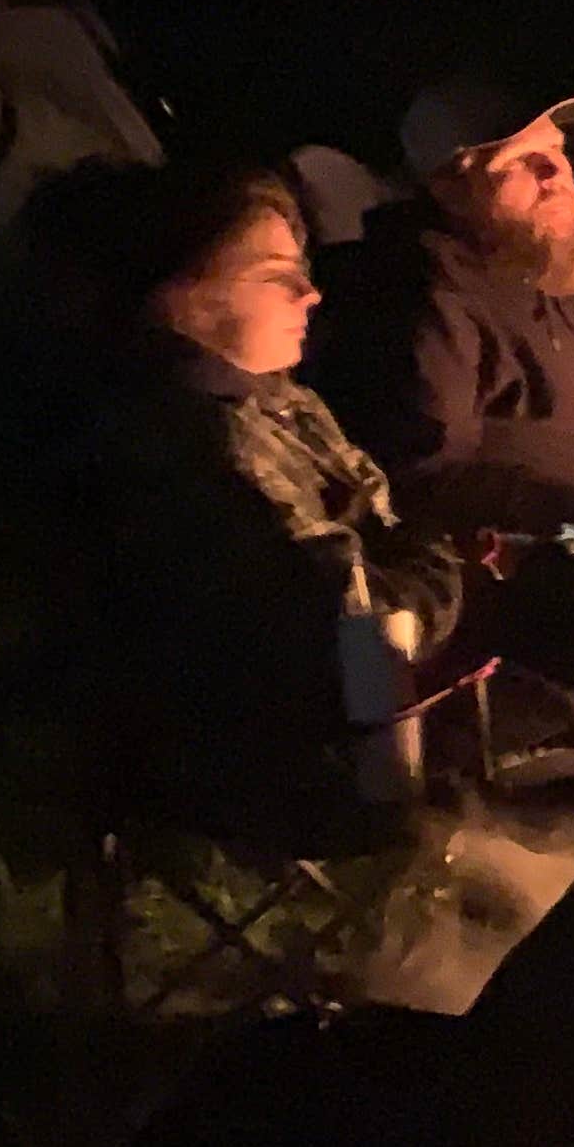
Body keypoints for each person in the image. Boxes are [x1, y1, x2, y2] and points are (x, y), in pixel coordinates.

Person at [83, 165, 468, 839]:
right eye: (276, 275)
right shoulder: (206, 442)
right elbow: (356, 622)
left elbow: (384, 525)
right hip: (302, 759)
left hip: (369, 706)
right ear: (182, 298)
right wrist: (440, 574)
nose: (311, 294)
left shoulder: (280, 401)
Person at [339, 83, 574, 543]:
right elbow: (423, 473)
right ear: (451, 190)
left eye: (554, 148)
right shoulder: (432, 298)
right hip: (567, 568)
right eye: (518, 161)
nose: (554, 171)